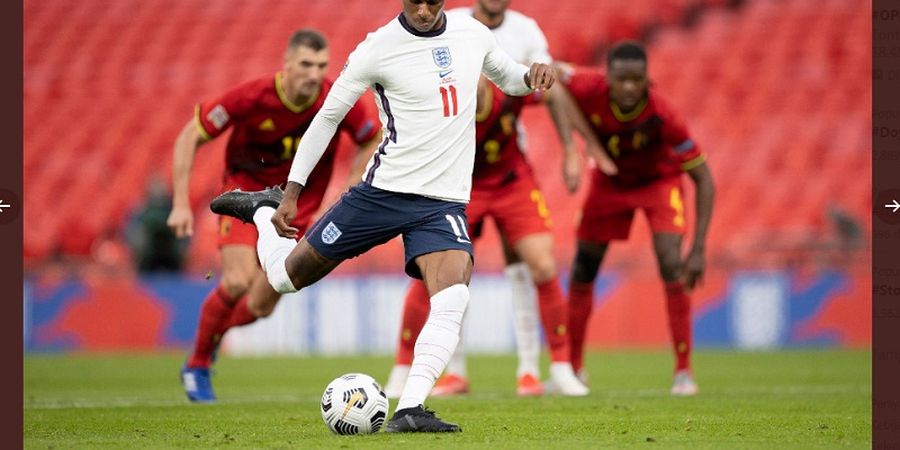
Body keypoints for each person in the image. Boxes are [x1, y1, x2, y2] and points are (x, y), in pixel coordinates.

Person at [210, 0, 556, 432]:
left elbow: (510, 78)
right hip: (381, 194)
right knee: (284, 279)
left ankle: (410, 409)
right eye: (416, 2)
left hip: (442, 203)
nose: (426, 10)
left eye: (433, 2)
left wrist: (533, 75)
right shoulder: (378, 48)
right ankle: (260, 210)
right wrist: (290, 193)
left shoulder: (473, 35)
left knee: (453, 296)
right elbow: (328, 117)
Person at [384, 0, 612, 398]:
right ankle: (411, 369)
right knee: (436, 272)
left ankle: (550, 369)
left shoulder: (520, 54)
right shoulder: (448, 24)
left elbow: (551, 86)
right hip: (455, 180)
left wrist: (571, 151)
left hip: (509, 176)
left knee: (539, 262)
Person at [168, 29, 380, 403]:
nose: (314, 74)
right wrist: (181, 202)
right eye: (305, 65)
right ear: (286, 64)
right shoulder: (252, 96)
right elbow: (191, 135)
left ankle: (212, 337)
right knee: (237, 281)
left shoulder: (336, 97)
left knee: (263, 304)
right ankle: (198, 363)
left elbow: (371, 135)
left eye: (320, 65)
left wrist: (351, 180)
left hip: (295, 209)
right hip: (244, 197)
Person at [559, 41, 715, 396]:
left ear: (647, 79)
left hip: (657, 181)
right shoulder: (587, 85)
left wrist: (700, 247)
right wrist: (587, 143)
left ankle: (684, 372)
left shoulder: (663, 114)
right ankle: (574, 368)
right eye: (621, 79)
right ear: (607, 78)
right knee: (584, 267)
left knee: (671, 261)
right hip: (609, 183)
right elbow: (551, 77)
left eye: (637, 80)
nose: (629, 87)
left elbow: (704, 178)